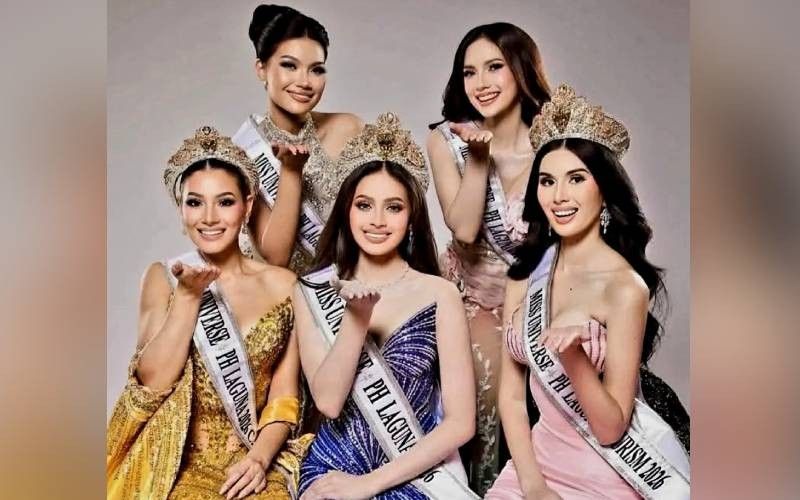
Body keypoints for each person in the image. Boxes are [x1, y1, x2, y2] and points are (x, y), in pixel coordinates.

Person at [486, 84, 690, 499]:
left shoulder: (624, 287)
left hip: (606, 470)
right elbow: (510, 398)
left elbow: (611, 428)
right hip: (534, 463)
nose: (559, 196)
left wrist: (573, 356)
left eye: (576, 179)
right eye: (547, 181)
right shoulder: (525, 274)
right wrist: (532, 485)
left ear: (603, 189)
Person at [107, 126, 311, 499]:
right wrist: (187, 297)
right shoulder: (163, 277)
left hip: (254, 459)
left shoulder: (285, 285)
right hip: (175, 464)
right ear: (181, 210)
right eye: (195, 202)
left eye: (225, 202)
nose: (210, 218)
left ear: (248, 206)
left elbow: (284, 396)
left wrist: (259, 460)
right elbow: (150, 384)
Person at [294, 114, 478, 499]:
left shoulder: (440, 293)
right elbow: (328, 402)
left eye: (393, 207)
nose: (377, 220)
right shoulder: (311, 288)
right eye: (364, 205)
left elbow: (461, 424)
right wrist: (356, 319)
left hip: (413, 469)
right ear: (347, 211)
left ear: (411, 218)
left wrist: (369, 485)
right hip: (333, 468)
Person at [426, 22, 551, 494]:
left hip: (540, 302)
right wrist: (478, 157)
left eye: (494, 67)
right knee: (491, 374)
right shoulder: (447, 141)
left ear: (522, 70)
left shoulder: (552, 146)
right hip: (471, 299)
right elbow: (463, 228)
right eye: (469, 72)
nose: (481, 83)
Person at [233, 4, 364, 273]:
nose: (305, 81)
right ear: (261, 69)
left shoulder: (348, 129)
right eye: (289, 66)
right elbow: (276, 258)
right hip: (289, 293)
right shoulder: (244, 151)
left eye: (316, 70)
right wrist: (291, 172)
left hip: (359, 285)